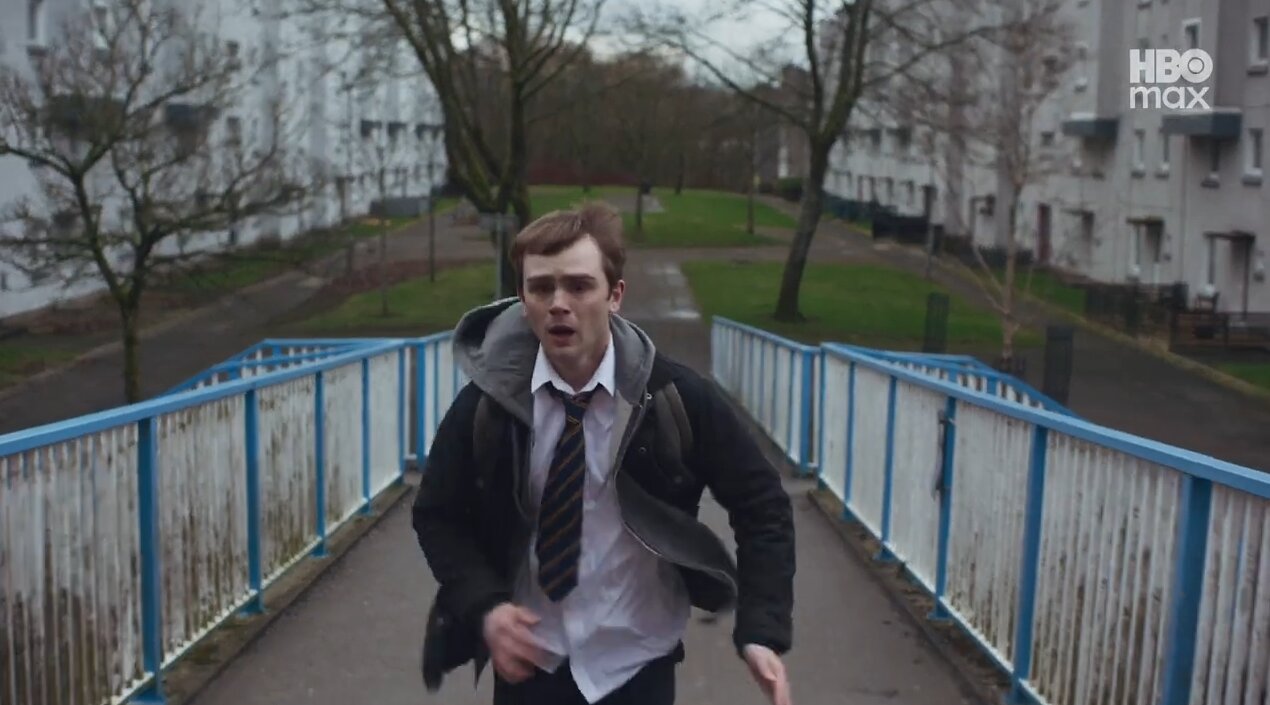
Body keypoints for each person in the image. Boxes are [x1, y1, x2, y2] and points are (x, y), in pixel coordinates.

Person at [412, 200, 796, 705]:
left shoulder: (674, 398)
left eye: (578, 286)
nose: (558, 303)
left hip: (638, 665)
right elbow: (437, 515)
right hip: (529, 662)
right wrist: (486, 605)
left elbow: (763, 505)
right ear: (522, 299)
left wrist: (761, 629)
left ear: (615, 295)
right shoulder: (490, 405)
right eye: (541, 288)